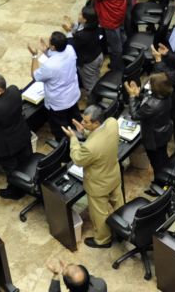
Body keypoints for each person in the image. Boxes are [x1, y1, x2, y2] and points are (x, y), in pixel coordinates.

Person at [65, 106, 122, 249]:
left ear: (96, 123)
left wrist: (73, 138)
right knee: (119, 204)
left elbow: (78, 159)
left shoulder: (90, 147)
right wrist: (84, 131)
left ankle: (103, 240)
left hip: (98, 185)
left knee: (100, 214)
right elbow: (100, 137)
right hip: (113, 175)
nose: (82, 123)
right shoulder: (112, 123)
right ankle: (122, 229)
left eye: (86, 122)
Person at [0, 74, 33, 199]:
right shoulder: (14, 90)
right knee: (25, 161)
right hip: (22, 135)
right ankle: (28, 181)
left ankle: (15, 192)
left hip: (7, 145)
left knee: (11, 169)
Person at [32, 32, 82, 141]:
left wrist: (35, 56)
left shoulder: (49, 65)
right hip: (72, 95)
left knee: (61, 131)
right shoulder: (70, 49)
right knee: (75, 122)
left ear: (53, 46)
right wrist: (46, 51)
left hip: (59, 103)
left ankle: (65, 150)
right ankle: (80, 140)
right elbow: (58, 56)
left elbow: (35, 76)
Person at [125, 74, 174, 181]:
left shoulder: (151, 105)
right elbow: (151, 98)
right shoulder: (167, 94)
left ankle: (160, 184)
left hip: (153, 138)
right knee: (163, 156)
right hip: (164, 132)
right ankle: (168, 175)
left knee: (156, 163)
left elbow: (135, 115)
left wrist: (132, 96)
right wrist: (139, 95)